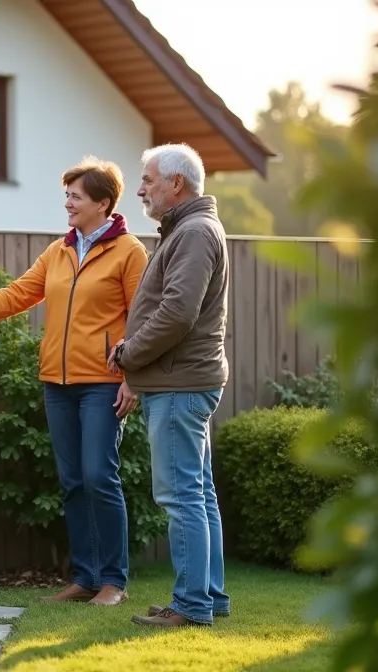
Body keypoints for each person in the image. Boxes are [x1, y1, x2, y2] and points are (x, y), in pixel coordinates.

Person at [0, 156, 148, 607]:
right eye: (67, 195)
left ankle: (114, 582)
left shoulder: (130, 253)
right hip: (58, 382)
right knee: (72, 480)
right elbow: (18, 294)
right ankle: (85, 578)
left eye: (76, 196)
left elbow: (143, 320)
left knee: (98, 476)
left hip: (104, 383)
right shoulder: (58, 251)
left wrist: (133, 377)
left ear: (103, 203)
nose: (67, 203)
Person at [108, 143, 231, 628]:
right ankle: (210, 599)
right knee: (199, 494)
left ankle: (191, 606)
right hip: (182, 380)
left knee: (181, 496)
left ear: (175, 184)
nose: (140, 188)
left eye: (148, 179)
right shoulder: (189, 229)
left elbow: (178, 313)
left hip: (179, 384)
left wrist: (129, 353)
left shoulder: (195, 233)